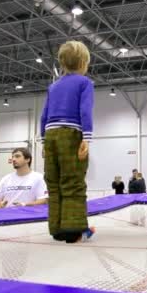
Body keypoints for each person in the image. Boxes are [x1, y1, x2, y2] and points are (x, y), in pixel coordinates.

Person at [40, 40, 95, 244]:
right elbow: (85, 112)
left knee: (53, 183)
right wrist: (86, 139)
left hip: (50, 135)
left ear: (62, 63)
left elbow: (43, 115)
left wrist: (43, 141)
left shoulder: (53, 86)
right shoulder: (84, 83)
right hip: (71, 133)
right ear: (83, 62)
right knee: (73, 181)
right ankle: (72, 230)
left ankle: (56, 228)